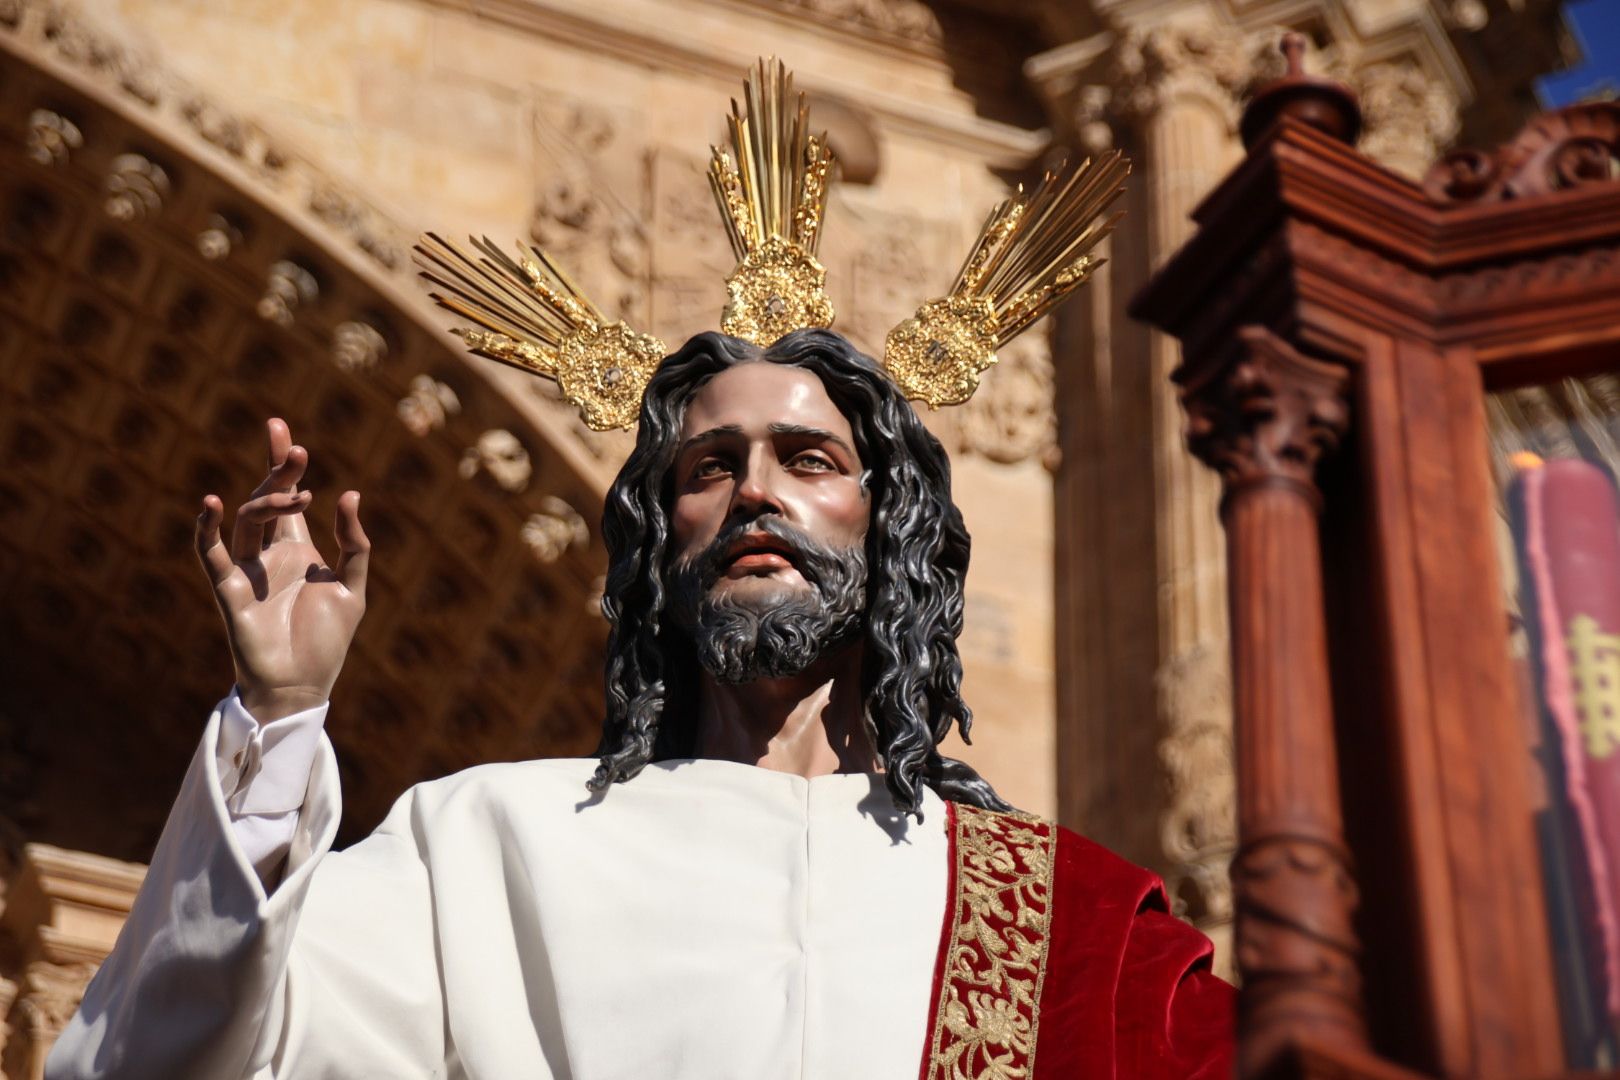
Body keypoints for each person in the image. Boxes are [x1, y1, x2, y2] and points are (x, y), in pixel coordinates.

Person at [46, 329, 1231, 1079]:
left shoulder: (1058, 913)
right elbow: (173, 1055)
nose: (756, 491)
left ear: (895, 529)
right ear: (664, 547)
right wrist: (281, 712)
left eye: (808, 460)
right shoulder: (488, 844)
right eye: (710, 470)